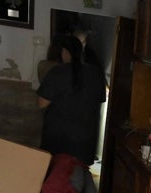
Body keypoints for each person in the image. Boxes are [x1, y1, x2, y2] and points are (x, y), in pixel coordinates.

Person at [37, 34, 106, 166]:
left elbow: (41, 103)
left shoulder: (57, 72)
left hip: (58, 139)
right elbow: (99, 100)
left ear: (64, 51)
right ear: (81, 52)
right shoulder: (96, 73)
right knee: (77, 177)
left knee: (56, 177)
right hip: (85, 140)